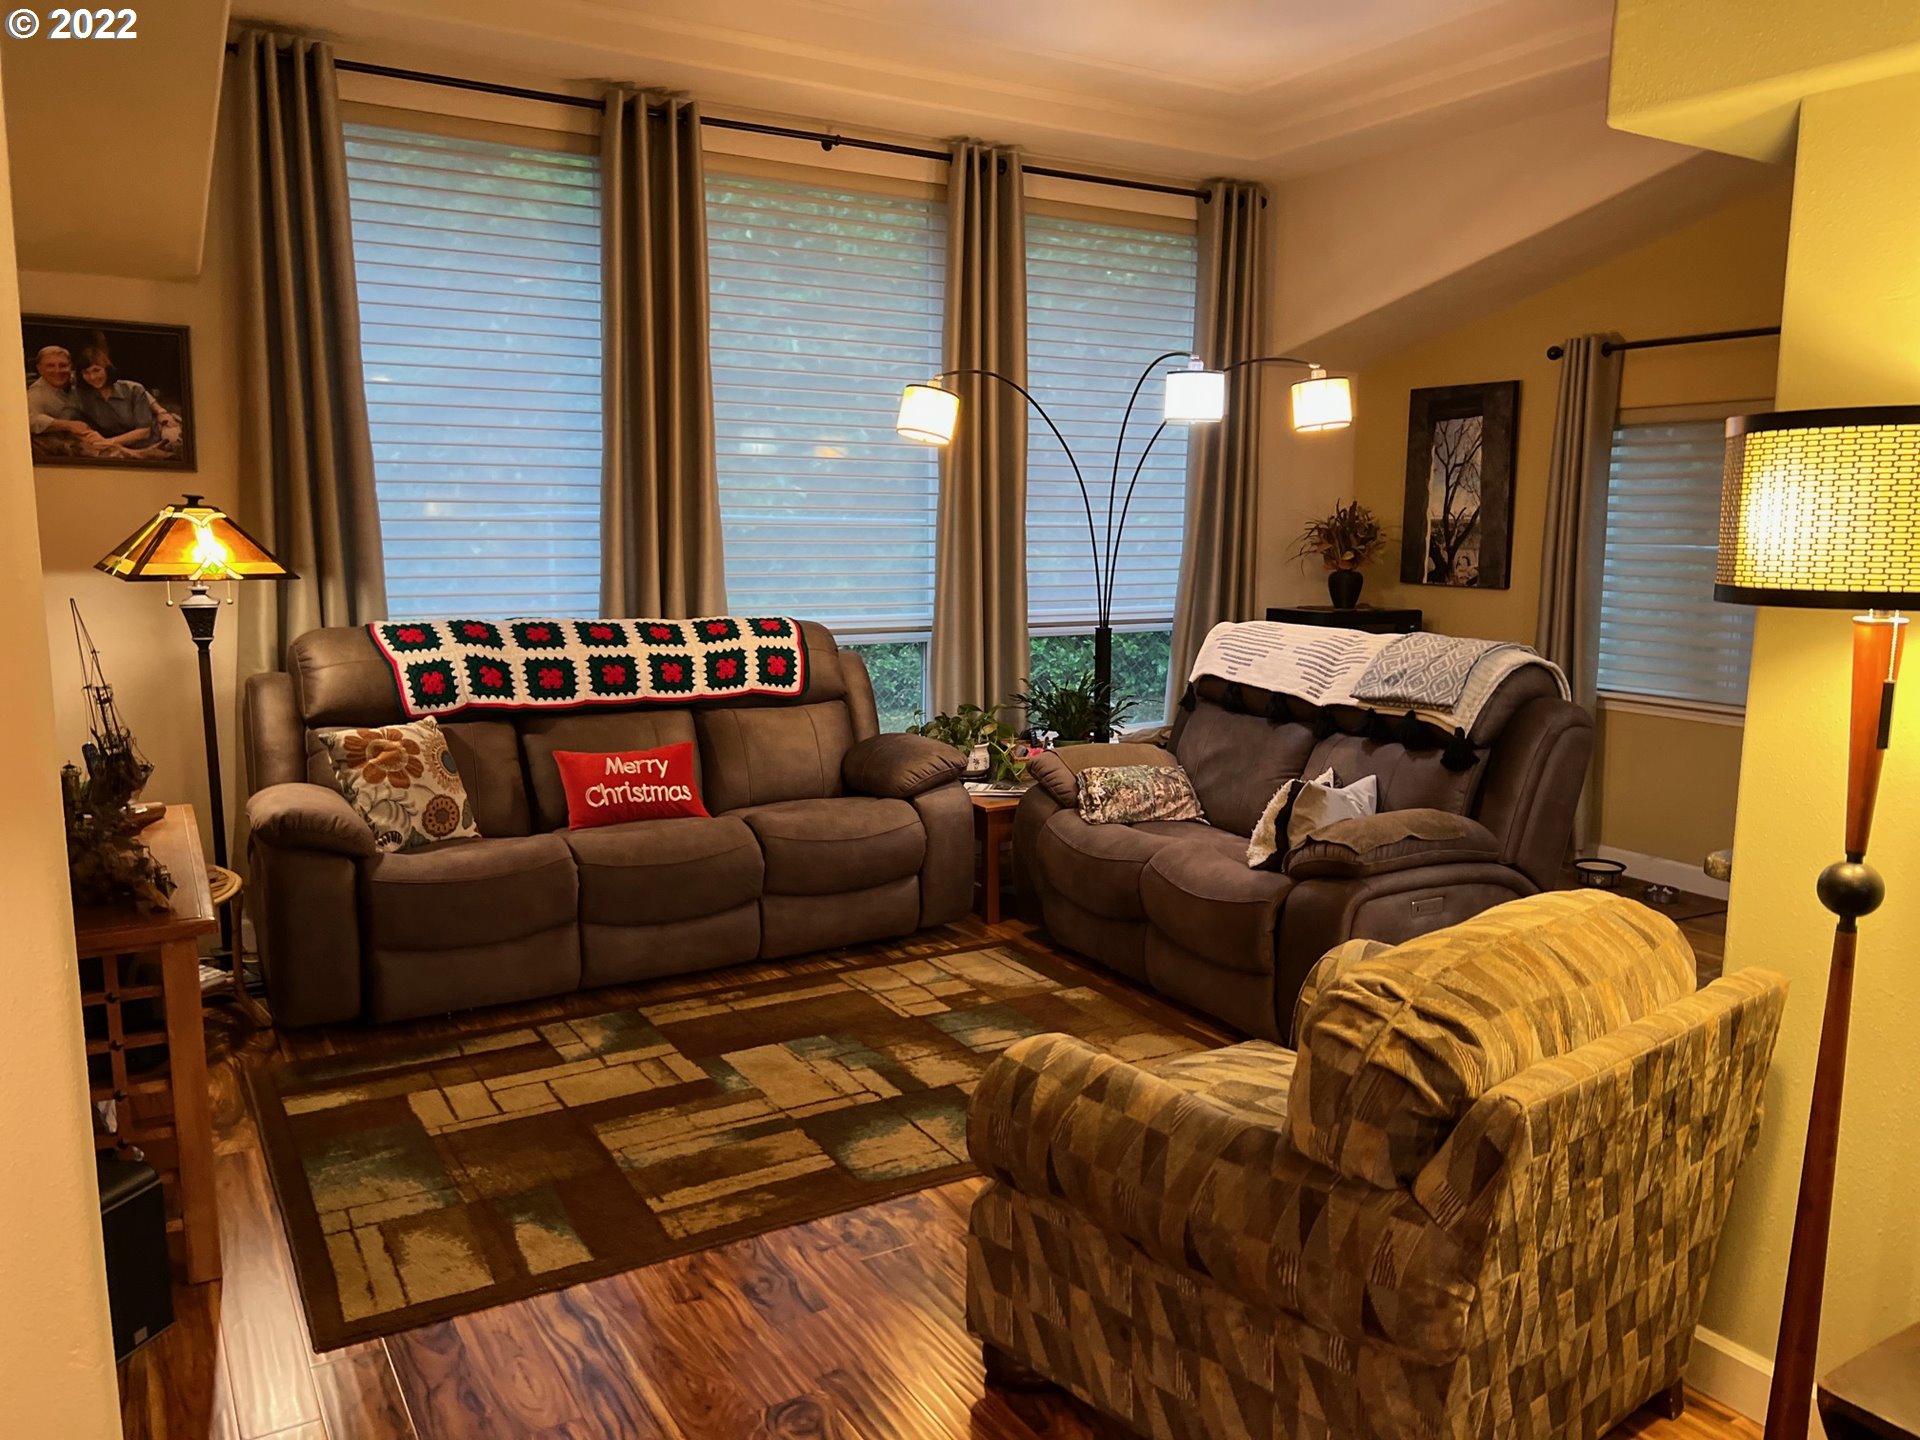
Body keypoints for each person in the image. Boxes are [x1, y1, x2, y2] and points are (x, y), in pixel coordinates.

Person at [72, 346, 178, 453]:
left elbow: (144, 431)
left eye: (96, 370)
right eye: (86, 372)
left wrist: (108, 442)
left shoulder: (133, 389)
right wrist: (90, 438)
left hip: (154, 443)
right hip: (115, 448)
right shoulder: (82, 395)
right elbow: (72, 423)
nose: (92, 377)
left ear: (107, 368)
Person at [25, 345, 100, 442]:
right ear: (39, 369)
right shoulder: (35, 394)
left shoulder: (84, 380)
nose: (57, 371)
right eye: (50, 366)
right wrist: (68, 425)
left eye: (63, 365)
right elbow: (30, 420)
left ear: (71, 366)